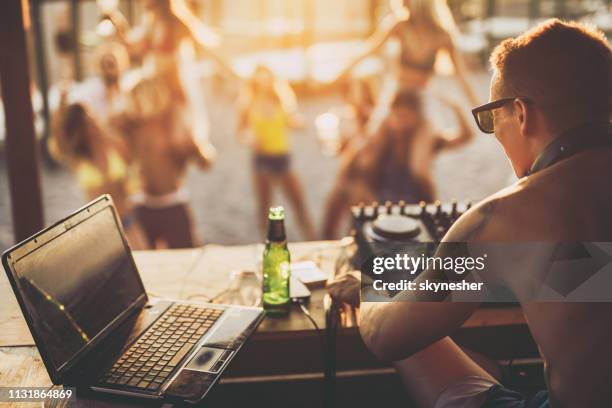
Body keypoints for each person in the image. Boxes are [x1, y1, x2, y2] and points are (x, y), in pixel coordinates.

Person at [328, 19, 612, 407]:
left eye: (492, 117)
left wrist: (370, 287)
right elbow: (594, 279)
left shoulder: (506, 220)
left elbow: (386, 338)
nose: (495, 133)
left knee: (441, 371)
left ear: (521, 113)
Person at [322, 89, 472, 239]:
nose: (401, 122)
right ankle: (330, 238)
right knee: (346, 190)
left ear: (416, 117)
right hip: (380, 200)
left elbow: (464, 136)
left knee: (354, 194)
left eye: (406, 116)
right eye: (398, 116)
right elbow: (358, 165)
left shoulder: (424, 142)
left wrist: (456, 108)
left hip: (411, 203)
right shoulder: (383, 139)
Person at [336, 0, 478, 133]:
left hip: (423, 95)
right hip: (397, 91)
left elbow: (461, 76)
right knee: (376, 132)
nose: (401, 2)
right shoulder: (400, 25)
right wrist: (340, 72)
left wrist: (480, 107)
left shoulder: (442, 35)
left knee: (427, 136)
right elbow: (371, 49)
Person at [116, 75, 213, 249]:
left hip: (173, 202)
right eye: (136, 97)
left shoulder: (170, 118)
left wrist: (195, 147)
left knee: (187, 260)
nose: (140, 101)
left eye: (144, 96)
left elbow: (205, 162)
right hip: (142, 204)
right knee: (146, 267)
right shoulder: (129, 125)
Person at [49, 91, 146, 249]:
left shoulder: (113, 142)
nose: (91, 124)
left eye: (90, 118)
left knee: (144, 261)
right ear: (79, 128)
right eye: (85, 122)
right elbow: (59, 142)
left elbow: (133, 159)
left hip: (128, 219)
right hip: (102, 229)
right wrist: (60, 106)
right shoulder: (78, 157)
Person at [237, 65, 316, 240]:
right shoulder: (248, 102)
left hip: (282, 157)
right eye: (260, 78)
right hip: (262, 158)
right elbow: (240, 132)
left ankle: (312, 237)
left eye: (266, 77)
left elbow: (292, 121)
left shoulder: (282, 99)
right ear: (255, 80)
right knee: (265, 206)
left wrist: (301, 123)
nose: (264, 81)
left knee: (298, 201)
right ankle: (267, 242)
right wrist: (248, 139)